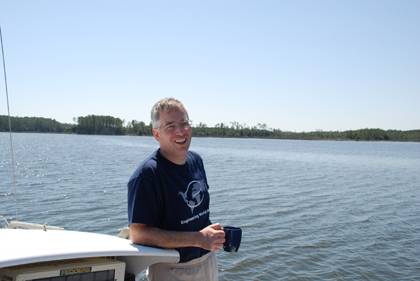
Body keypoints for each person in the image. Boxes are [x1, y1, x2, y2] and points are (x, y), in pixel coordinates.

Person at [127, 97, 225, 281]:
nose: (181, 131)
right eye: (170, 126)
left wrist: (210, 235)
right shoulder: (147, 175)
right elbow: (138, 234)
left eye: (184, 123)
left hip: (207, 261)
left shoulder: (196, 160)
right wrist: (198, 238)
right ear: (156, 134)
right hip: (171, 268)